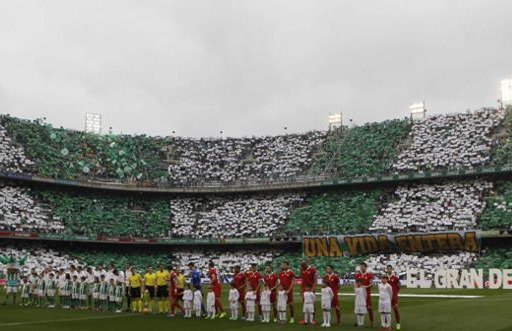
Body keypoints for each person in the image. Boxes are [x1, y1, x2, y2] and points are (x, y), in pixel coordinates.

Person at [355, 262, 374, 327]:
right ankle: (359, 322)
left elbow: (372, 284)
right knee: (358, 307)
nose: (362, 268)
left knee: (369, 308)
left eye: (363, 267)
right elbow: (355, 283)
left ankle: (372, 322)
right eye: (361, 267)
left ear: (366, 267)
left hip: (367, 294)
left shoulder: (369, 275)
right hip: (359, 294)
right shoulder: (358, 275)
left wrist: (366, 286)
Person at [386, 265, 401, 330]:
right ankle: (386, 325)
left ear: (392, 269)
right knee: (386, 311)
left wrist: (396, 292)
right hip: (387, 297)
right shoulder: (385, 277)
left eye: (390, 269)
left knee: (396, 310)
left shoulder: (395, 277)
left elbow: (399, 285)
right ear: (386, 269)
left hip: (394, 297)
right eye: (388, 269)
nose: (389, 270)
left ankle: (398, 324)